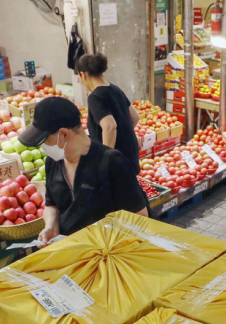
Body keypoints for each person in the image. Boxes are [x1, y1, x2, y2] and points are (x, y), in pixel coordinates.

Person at [18, 97, 149, 242]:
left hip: (106, 249)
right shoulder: (53, 162)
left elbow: (140, 216)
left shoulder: (112, 163)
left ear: (63, 134)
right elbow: (52, 204)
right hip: (70, 248)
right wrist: (51, 226)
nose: (42, 147)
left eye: (44, 140)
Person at [74, 53, 141, 176]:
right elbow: (135, 117)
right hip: (130, 154)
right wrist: (123, 137)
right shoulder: (115, 89)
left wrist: (105, 159)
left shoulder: (95, 97)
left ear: (82, 75)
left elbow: (110, 126)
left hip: (116, 162)